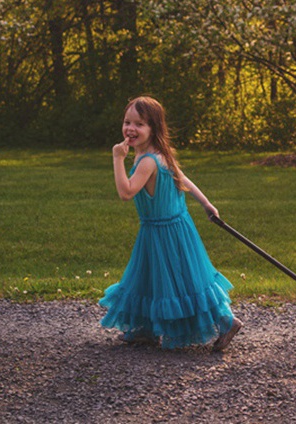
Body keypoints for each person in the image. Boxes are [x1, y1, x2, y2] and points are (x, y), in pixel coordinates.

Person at [99, 96, 242, 351]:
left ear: (153, 128)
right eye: (127, 122)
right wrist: (206, 204)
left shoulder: (146, 162)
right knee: (151, 277)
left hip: (163, 230)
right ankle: (146, 329)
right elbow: (182, 177)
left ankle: (226, 321)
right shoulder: (159, 154)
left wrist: (117, 158)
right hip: (174, 226)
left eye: (139, 124)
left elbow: (126, 192)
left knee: (182, 282)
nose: (130, 129)